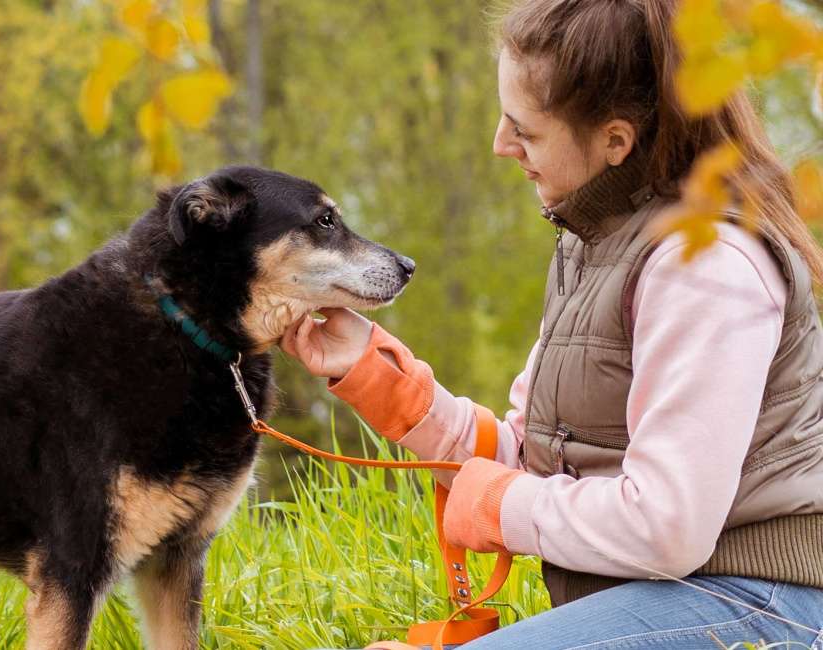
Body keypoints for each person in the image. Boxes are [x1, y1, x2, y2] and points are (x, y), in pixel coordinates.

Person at [281, 0, 823, 647]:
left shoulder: (704, 266)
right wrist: (381, 380)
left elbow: (666, 528)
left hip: (758, 600)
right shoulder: (592, 245)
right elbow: (533, 466)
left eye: (526, 131)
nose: (501, 145)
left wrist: (498, 505)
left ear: (614, 140)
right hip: (674, 590)